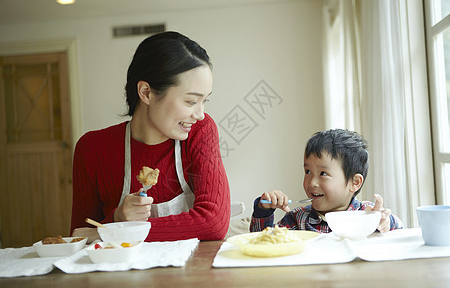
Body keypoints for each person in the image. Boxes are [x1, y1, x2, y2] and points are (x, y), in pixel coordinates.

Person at [71, 31, 230, 242]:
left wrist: (120, 230)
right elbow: (79, 238)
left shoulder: (200, 131)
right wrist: (117, 217)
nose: (199, 114)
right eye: (191, 101)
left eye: (204, 101)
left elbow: (213, 223)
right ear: (146, 92)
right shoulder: (91, 149)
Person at [250, 129, 403, 233]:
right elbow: (262, 245)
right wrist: (264, 211)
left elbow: (400, 233)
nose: (312, 183)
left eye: (323, 173)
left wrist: (384, 221)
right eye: (308, 171)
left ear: (354, 182)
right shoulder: (297, 219)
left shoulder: (367, 214)